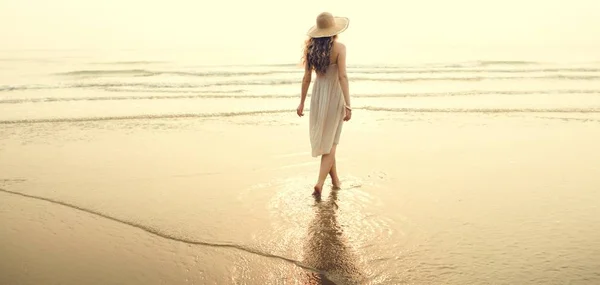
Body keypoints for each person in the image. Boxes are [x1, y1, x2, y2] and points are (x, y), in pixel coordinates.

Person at [296, 12, 352, 196]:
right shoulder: (340, 48)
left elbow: (306, 78)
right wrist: (348, 104)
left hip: (318, 96)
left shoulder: (311, 49)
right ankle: (319, 183)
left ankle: (335, 181)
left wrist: (302, 103)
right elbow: (342, 76)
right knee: (332, 141)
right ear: (333, 30)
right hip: (335, 95)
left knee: (327, 140)